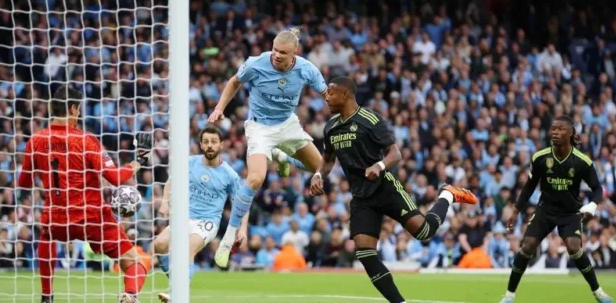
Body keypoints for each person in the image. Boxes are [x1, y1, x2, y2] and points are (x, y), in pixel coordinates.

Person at [307, 76, 477, 303]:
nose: (325, 97)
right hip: (361, 197)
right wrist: (318, 174)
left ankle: (447, 193)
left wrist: (379, 166)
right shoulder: (331, 128)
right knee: (365, 253)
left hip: (384, 188)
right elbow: (327, 159)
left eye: (330, 92)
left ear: (345, 94)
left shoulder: (369, 119)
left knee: (424, 232)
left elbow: (394, 153)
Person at [17, 85, 152, 303]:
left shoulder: (36, 140)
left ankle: (46, 296)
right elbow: (116, 178)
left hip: (57, 218)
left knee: (46, 235)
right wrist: (140, 160)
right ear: (72, 109)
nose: (79, 113)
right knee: (136, 263)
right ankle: (130, 295)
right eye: (78, 109)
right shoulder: (86, 140)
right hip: (92, 218)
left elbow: (23, 183)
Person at [207, 28, 327, 267]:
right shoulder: (257, 63)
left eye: (282, 52)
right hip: (260, 128)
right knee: (255, 179)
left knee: (321, 168)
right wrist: (219, 107)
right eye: (274, 49)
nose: (276, 55)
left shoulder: (306, 69)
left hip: (287, 125)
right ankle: (228, 239)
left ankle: (282, 156)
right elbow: (234, 82)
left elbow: (328, 95)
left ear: (295, 53)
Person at [499, 116, 613, 303]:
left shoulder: (582, 161)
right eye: (553, 129)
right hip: (545, 210)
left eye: (560, 129)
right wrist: (516, 210)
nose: (555, 132)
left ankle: (598, 292)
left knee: (574, 247)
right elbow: (529, 186)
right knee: (527, 246)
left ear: (570, 133)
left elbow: (598, 189)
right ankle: (509, 296)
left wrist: (592, 205)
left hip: (570, 213)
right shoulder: (540, 157)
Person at [153, 126, 248, 303]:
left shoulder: (230, 175)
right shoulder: (190, 163)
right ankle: (177, 283)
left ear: (221, 145)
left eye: (213, 142)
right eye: (206, 142)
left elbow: (242, 203)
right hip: (183, 217)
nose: (210, 145)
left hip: (208, 222)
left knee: (187, 249)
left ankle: (177, 294)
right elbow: (170, 182)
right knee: (159, 245)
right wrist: (165, 203)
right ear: (201, 145)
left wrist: (242, 229)